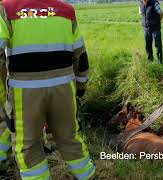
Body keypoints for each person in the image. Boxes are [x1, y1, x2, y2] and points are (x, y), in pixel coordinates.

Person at [0, 0, 95, 179]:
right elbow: (80, 56)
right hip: (64, 90)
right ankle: (88, 176)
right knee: (70, 138)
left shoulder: (7, 9)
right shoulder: (66, 10)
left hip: (24, 94)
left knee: (28, 146)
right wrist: (81, 86)